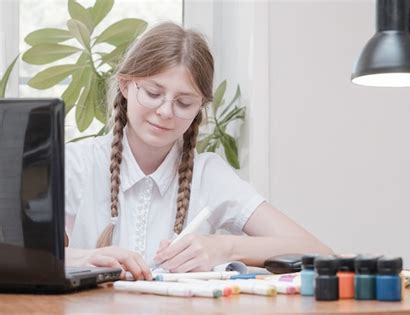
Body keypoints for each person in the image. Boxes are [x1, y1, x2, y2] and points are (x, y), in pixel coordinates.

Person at [65, 22, 333, 281]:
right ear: (125, 85)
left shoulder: (208, 175)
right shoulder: (77, 164)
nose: (165, 112)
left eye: (184, 103)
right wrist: (78, 258)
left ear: (200, 108)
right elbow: (22, 255)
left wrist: (222, 248)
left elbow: (318, 252)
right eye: (152, 93)